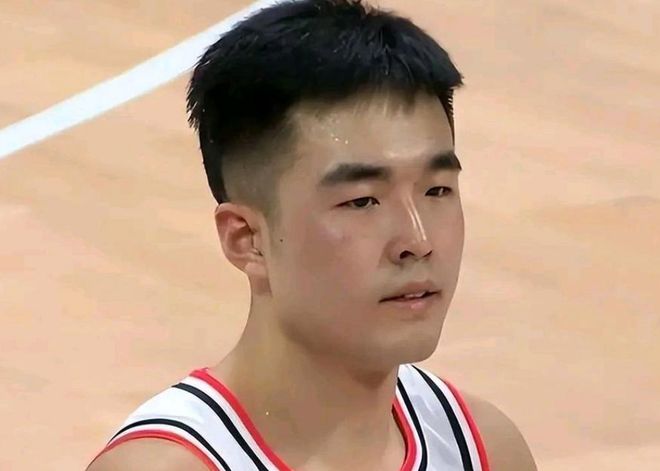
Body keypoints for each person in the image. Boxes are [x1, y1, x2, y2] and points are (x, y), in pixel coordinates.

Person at [87, 0, 537, 469]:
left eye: (437, 190)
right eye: (362, 201)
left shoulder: (485, 449)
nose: (418, 240)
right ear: (247, 239)